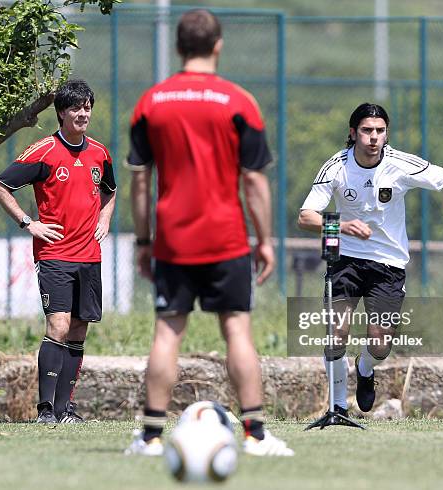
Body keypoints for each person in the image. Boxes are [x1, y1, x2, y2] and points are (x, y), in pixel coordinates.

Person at [125, 9, 293, 457]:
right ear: (218, 46)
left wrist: (144, 241)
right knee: (237, 329)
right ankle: (256, 436)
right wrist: (266, 240)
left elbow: (140, 179)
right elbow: (254, 180)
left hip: (173, 240)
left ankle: (151, 438)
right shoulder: (240, 102)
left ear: (179, 47)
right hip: (226, 238)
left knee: (166, 333)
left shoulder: (151, 102)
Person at [298, 102, 443, 416]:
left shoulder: (399, 164)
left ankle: (366, 368)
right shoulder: (336, 167)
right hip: (344, 258)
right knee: (335, 331)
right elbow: (305, 217)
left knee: (381, 344)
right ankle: (338, 408)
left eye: (380, 131)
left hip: (389, 263)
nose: (373, 137)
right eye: (367, 131)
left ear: (386, 134)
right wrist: (340, 226)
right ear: (353, 133)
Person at [0, 79, 117, 423]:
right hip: (55, 255)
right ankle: (45, 410)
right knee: (58, 326)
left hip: (89, 256)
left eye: (87, 107)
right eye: (76, 108)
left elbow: (110, 190)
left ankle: (66, 410)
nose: (83, 114)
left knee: (78, 329)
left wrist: (104, 219)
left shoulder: (99, 153)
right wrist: (28, 223)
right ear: (62, 113)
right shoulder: (43, 151)